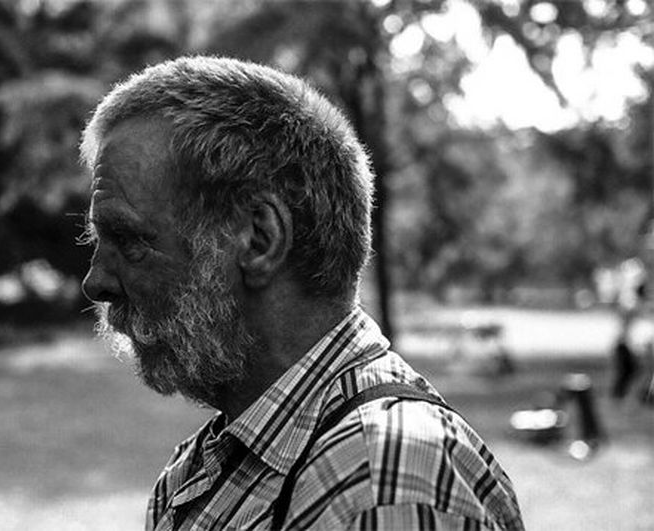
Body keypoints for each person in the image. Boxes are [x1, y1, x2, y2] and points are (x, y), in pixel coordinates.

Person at [80, 56, 525, 530]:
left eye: (129, 240)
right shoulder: (207, 466)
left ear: (259, 239)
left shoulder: (382, 486)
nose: (95, 282)